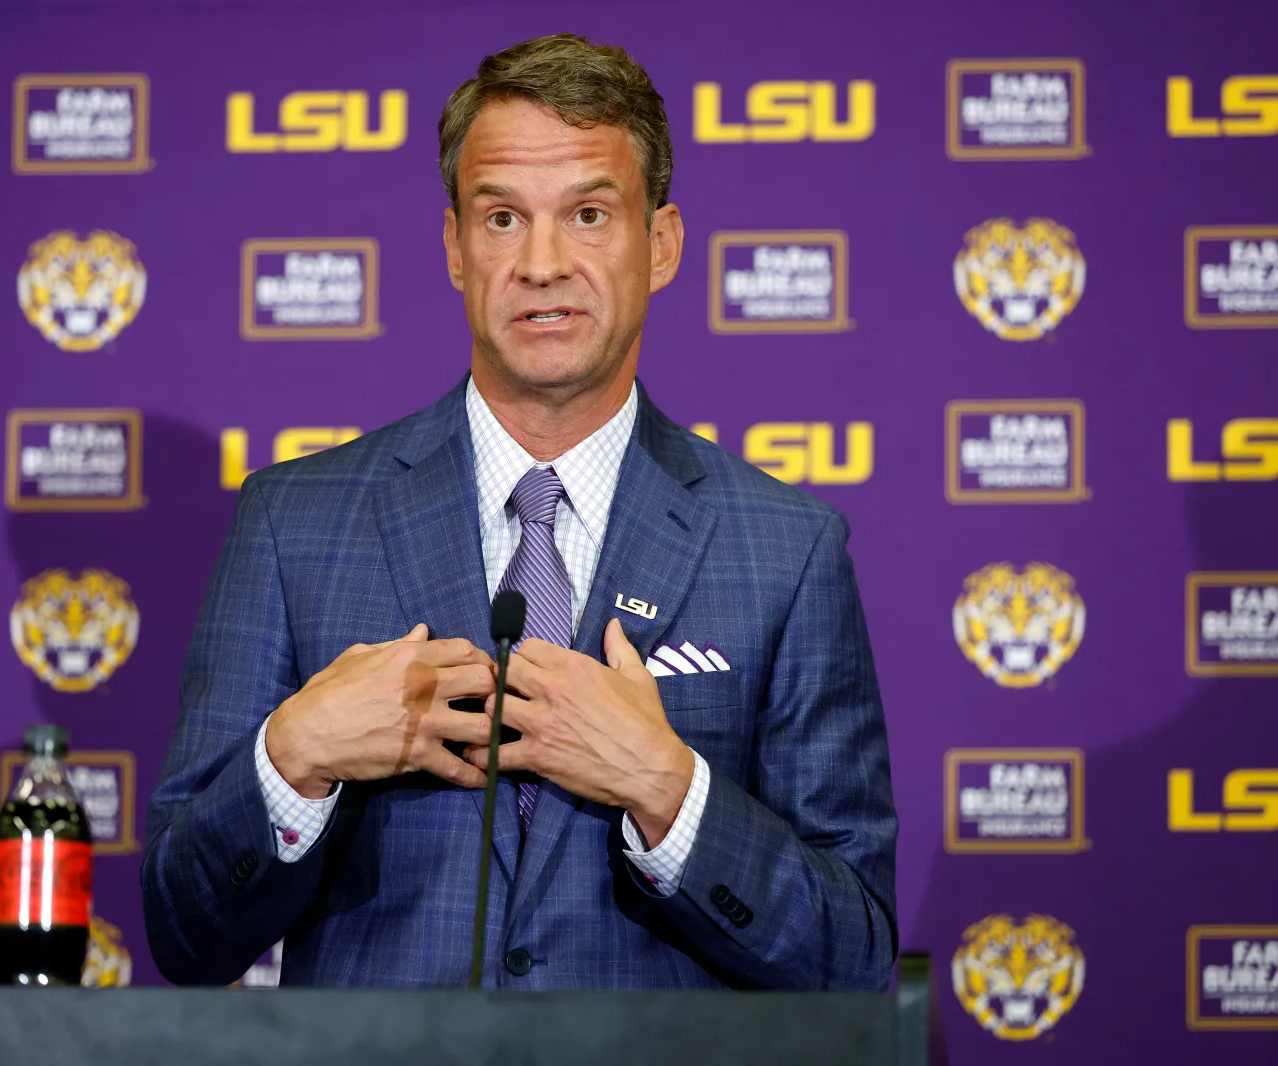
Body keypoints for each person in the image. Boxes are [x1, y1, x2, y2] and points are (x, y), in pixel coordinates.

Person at [142, 32, 897, 990]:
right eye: (502, 219)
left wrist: (668, 789)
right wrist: (295, 757)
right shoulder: (296, 523)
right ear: (456, 248)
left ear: (659, 245)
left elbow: (858, 963)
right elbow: (181, 932)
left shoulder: (787, 550)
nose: (542, 263)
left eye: (588, 213)